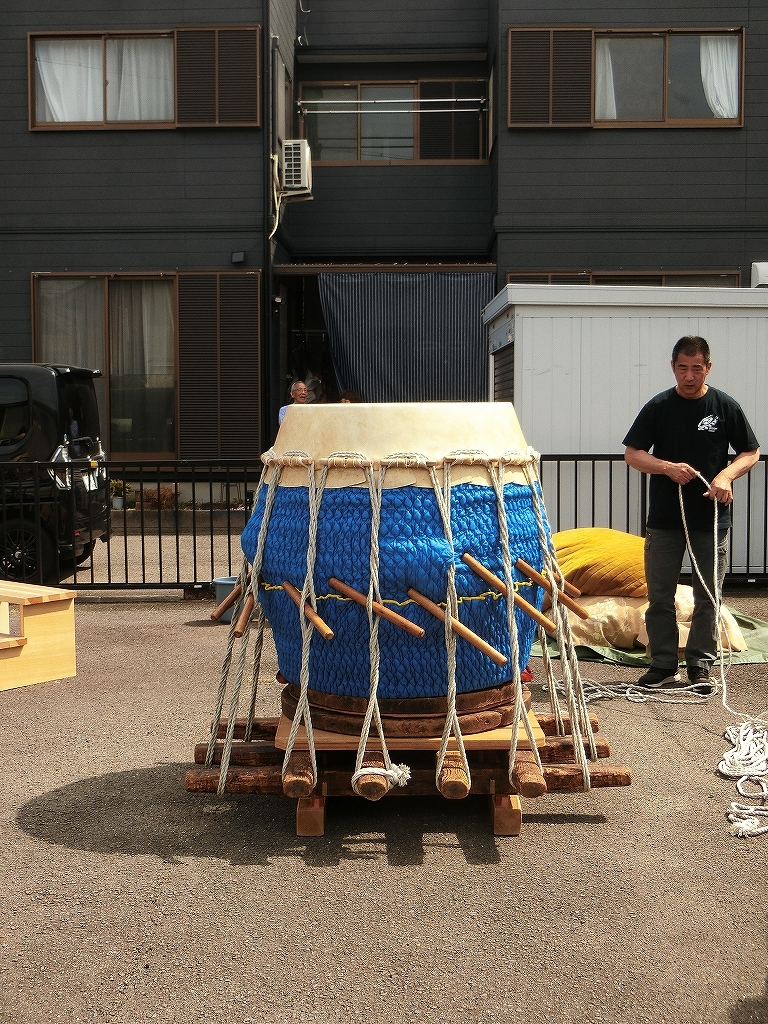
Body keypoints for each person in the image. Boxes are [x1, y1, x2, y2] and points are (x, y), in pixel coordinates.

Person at [623, 336, 759, 694]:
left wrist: (726, 476)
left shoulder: (724, 406)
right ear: (673, 367)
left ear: (708, 368)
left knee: (708, 595)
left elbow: (750, 451)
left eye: (696, 368)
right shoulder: (658, 406)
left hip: (711, 518)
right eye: (682, 368)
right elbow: (633, 454)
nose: (689, 375)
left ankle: (700, 665)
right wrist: (666, 467)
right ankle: (663, 664)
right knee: (660, 595)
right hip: (664, 518)